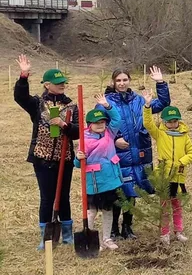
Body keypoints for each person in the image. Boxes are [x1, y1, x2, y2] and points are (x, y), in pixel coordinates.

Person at [14, 54, 79, 250]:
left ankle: (67, 234)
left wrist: (64, 125)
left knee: (64, 196)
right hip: (42, 159)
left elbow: (77, 132)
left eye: (64, 82)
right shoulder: (37, 104)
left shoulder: (71, 105)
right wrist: (23, 76)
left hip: (64, 158)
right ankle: (46, 237)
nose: (62, 85)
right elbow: (20, 97)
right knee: (47, 197)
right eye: (58, 83)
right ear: (47, 85)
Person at [101, 66, 171, 239]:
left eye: (125, 80)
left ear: (129, 80)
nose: (122, 83)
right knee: (119, 190)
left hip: (139, 151)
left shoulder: (138, 100)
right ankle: (113, 229)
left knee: (132, 190)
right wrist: (115, 139)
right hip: (118, 152)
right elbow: (99, 126)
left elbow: (162, 104)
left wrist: (160, 83)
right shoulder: (106, 102)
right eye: (118, 80)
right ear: (113, 82)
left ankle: (127, 226)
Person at [142, 90, 192, 246]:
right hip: (164, 177)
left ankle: (179, 231)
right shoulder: (160, 134)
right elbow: (147, 123)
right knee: (164, 206)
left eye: (175, 121)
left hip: (179, 176)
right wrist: (147, 106)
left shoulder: (184, 135)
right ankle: (164, 233)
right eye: (169, 121)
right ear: (164, 122)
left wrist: (181, 161)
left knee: (177, 205)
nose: (172, 124)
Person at [74, 94, 123, 251]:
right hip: (94, 183)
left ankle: (107, 238)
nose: (100, 125)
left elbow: (117, 120)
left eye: (102, 122)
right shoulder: (84, 140)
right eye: (96, 123)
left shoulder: (109, 133)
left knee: (108, 210)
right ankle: (90, 237)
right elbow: (77, 164)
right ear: (89, 125)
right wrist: (78, 157)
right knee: (92, 211)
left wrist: (107, 106)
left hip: (110, 181)